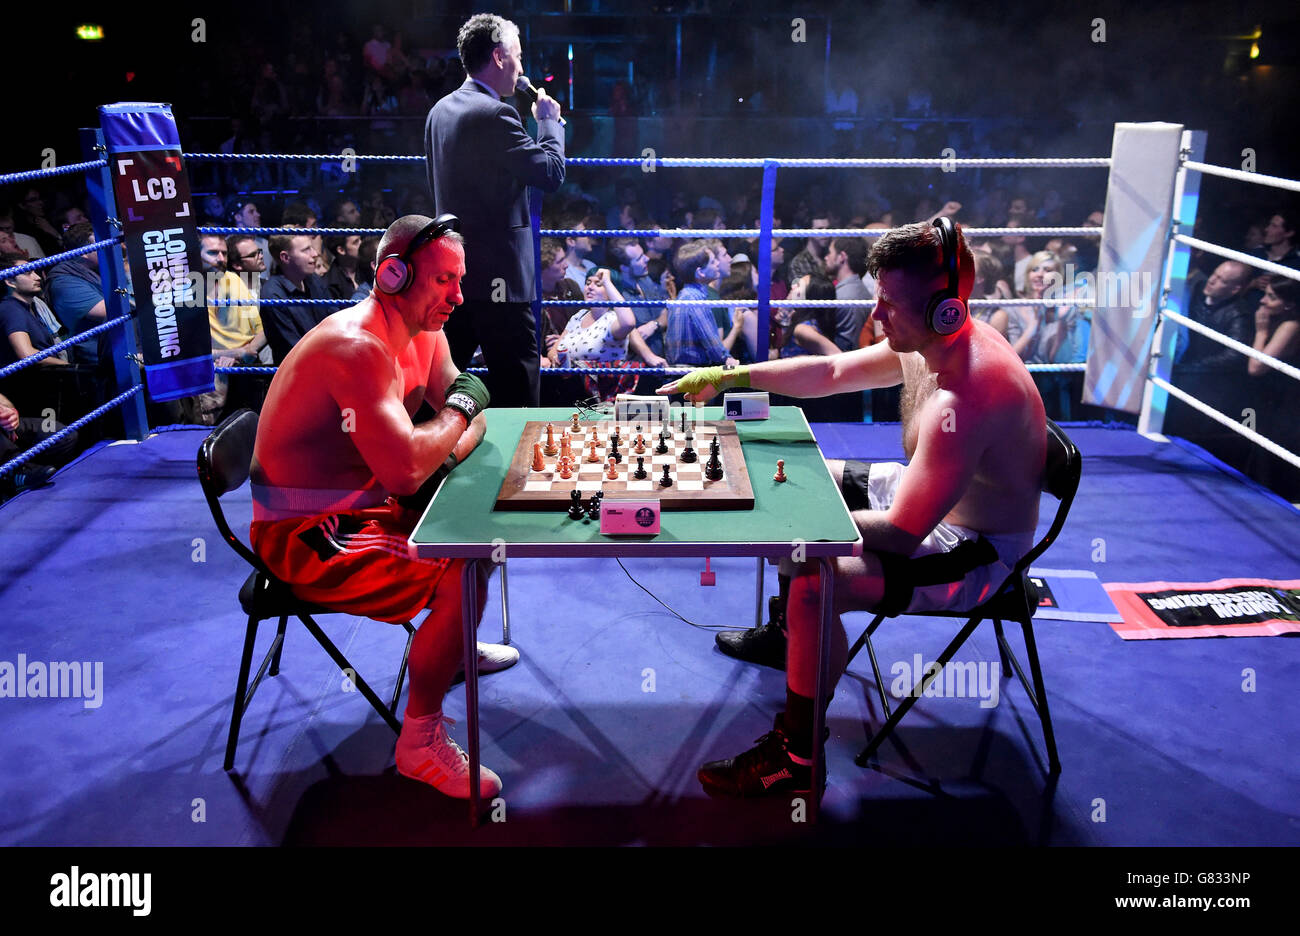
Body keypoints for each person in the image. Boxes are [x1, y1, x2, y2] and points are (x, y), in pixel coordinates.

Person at [658, 220, 1046, 796]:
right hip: (927, 497)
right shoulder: (929, 341)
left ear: (945, 311)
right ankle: (789, 634)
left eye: (889, 304)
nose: (877, 317)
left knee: (815, 573)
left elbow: (902, 532)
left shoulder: (970, 391)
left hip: (974, 551)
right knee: (793, 478)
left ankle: (797, 756)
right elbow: (833, 371)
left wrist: (780, 526)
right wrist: (730, 376)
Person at [250, 214, 515, 799]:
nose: (459, 295)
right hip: (309, 528)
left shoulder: (426, 330)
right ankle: (418, 743)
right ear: (394, 274)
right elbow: (417, 455)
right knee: (459, 564)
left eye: (460, 280)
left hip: (366, 505)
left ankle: (451, 650)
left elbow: (463, 410)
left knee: (478, 537)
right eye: (444, 280)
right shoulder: (357, 346)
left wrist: (438, 444)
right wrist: (444, 434)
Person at [424, 13, 565, 407]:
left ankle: (430, 464)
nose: (522, 69)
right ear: (500, 57)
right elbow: (551, 173)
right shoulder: (497, 114)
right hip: (500, 277)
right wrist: (550, 126)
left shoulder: (440, 111)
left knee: (436, 387)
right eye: (518, 57)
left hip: (454, 275)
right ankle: (521, 469)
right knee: (519, 391)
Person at [664, 240, 738, 367]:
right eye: (713, 262)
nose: (717, 264)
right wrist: (729, 360)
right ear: (700, 272)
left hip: (685, 372)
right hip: (692, 375)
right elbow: (714, 346)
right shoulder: (695, 299)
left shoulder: (687, 295)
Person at [260, 233, 332, 365]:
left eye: (312, 247)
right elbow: (294, 348)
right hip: (298, 372)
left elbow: (335, 319)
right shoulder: (272, 295)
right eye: (306, 250)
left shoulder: (313, 279)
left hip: (325, 361)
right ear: (285, 257)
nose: (315, 253)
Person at [824, 236, 873, 351]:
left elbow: (847, 344)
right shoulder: (857, 289)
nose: (826, 257)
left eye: (829, 253)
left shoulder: (846, 296)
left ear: (841, 257)